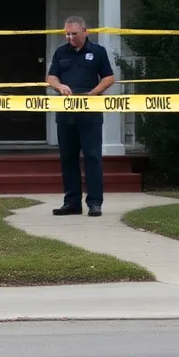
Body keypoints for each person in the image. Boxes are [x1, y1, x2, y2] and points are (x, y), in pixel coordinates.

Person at [46, 16, 114, 217]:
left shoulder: (98, 51)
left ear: (85, 31)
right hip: (66, 111)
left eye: (73, 34)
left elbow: (109, 77)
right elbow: (51, 76)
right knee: (68, 157)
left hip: (90, 110)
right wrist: (59, 86)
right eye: (66, 34)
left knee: (92, 156)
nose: (69, 37)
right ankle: (72, 202)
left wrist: (92, 94)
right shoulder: (61, 52)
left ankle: (94, 202)